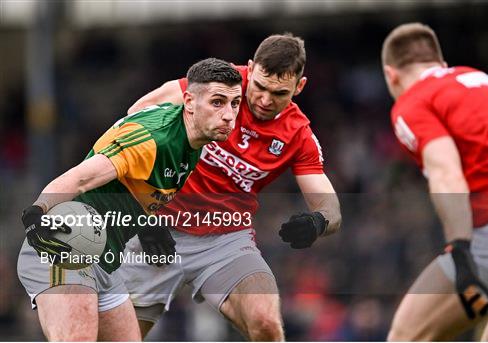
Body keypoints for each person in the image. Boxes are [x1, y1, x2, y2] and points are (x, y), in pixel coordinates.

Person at [120, 33, 342, 340]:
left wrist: (317, 222)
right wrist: (142, 216)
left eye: (278, 93)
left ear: (299, 87)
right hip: (158, 227)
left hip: (225, 239)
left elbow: (330, 208)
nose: (265, 100)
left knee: (266, 322)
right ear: (249, 69)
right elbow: (133, 121)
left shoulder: (298, 134)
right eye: (260, 86)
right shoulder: (214, 84)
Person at [16, 58, 243, 341]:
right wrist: (37, 212)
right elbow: (80, 178)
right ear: (189, 102)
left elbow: (136, 164)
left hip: (104, 260)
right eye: (218, 102)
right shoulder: (152, 140)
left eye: (235, 104)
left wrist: (149, 225)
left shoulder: (193, 140)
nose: (229, 115)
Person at [381, 22, 488, 340]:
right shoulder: (487, 85)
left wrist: (462, 250)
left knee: (405, 336)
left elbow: (446, 173)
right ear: (440, 64)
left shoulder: (415, 101)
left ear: (391, 75)